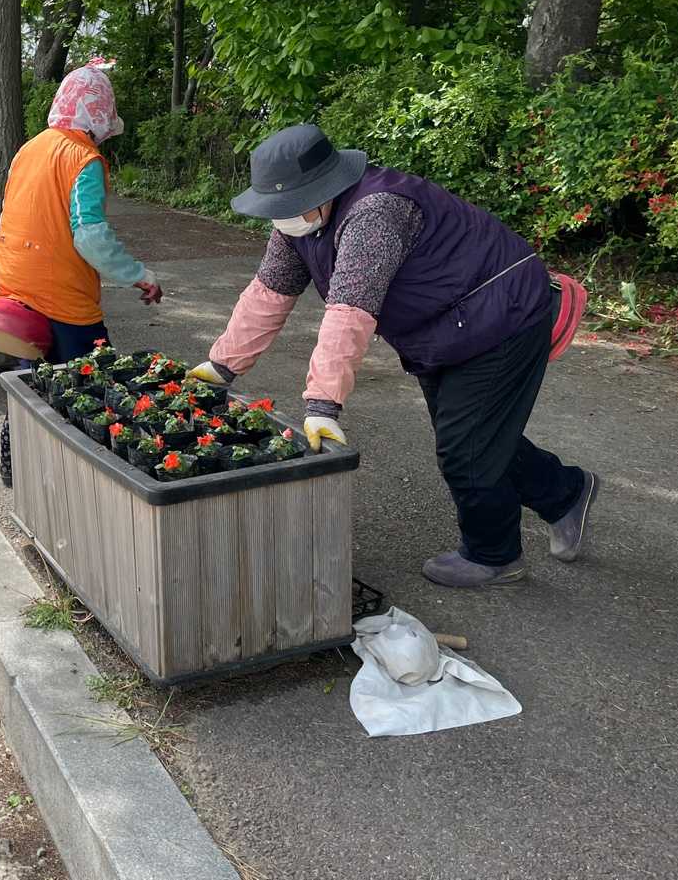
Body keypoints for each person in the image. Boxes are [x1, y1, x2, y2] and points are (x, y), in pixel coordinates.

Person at [190, 124, 596, 588]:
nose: (281, 218)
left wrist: (322, 405)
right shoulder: (298, 224)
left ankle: (494, 555)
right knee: (473, 436)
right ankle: (566, 493)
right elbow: (269, 293)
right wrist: (222, 365)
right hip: (446, 328)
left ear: (324, 188)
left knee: (465, 449)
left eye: (288, 206)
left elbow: (349, 313)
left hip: (503, 316)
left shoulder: (376, 212)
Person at [0, 63, 164, 484]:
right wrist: (139, 274)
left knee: (31, 383)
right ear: (99, 114)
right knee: (93, 385)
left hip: (11, 289)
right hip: (62, 298)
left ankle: (19, 464)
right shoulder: (84, 159)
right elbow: (91, 237)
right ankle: (88, 480)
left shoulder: (28, 149)